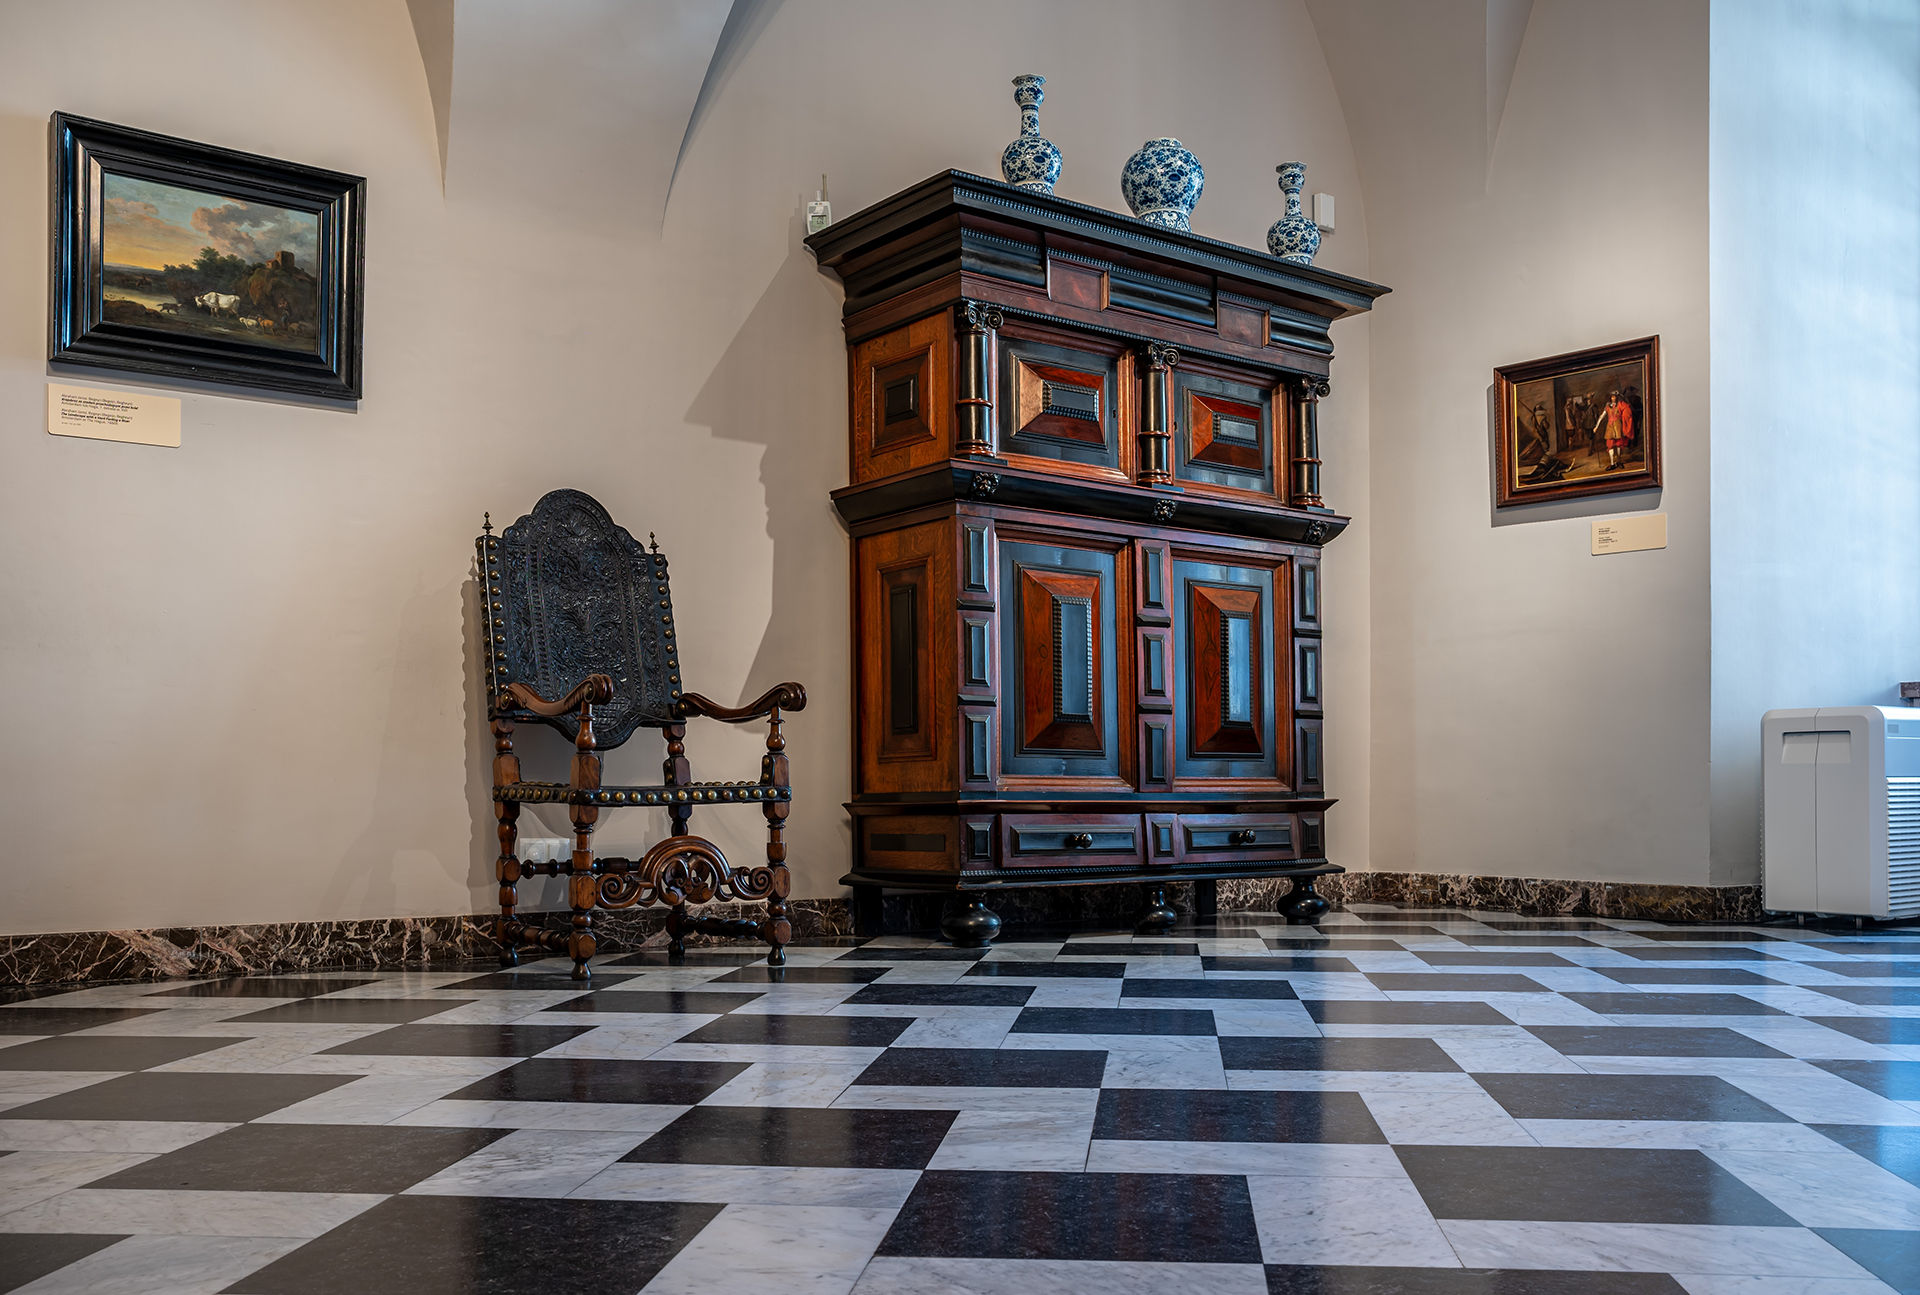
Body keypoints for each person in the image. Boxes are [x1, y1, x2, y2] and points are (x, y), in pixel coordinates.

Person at [1592, 389, 1634, 470]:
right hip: (1610, 427)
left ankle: (1618, 461)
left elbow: (1627, 411)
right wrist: (1596, 426)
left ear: (1617, 397)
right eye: (1612, 397)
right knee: (1610, 445)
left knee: (1619, 444)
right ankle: (1612, 463)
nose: (1613, 398)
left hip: (1618, 426)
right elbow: (1602, 416)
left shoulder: (1621, 404)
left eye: (1615, 396)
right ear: (1610, 398)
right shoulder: (1607, 406)